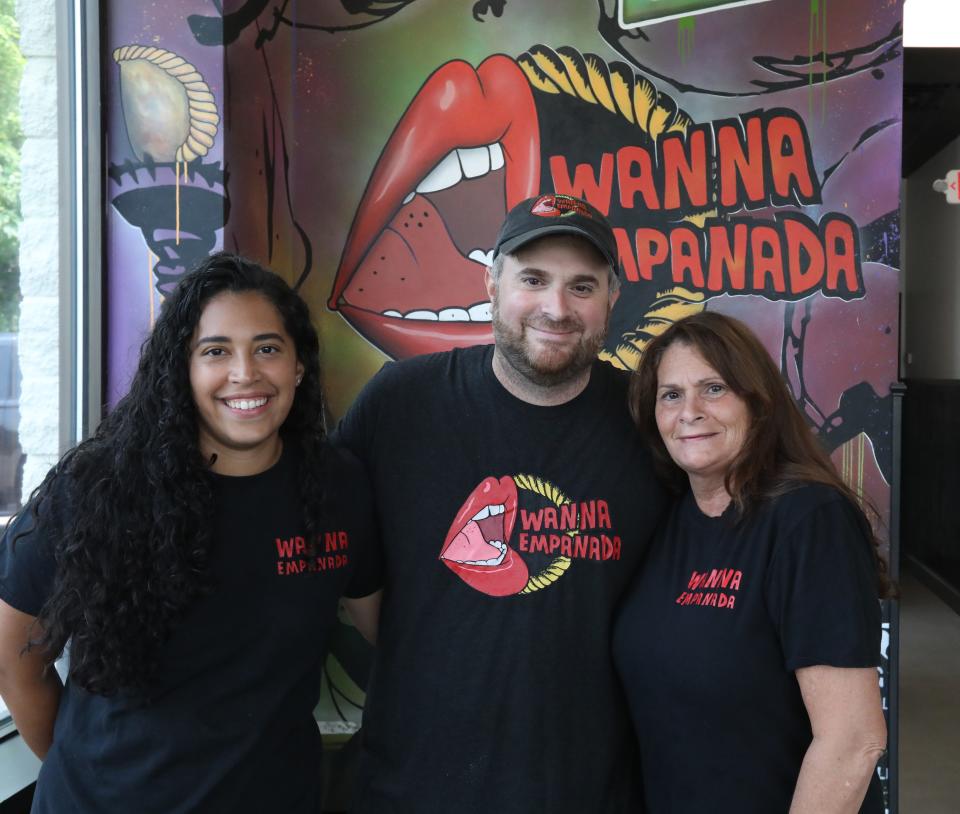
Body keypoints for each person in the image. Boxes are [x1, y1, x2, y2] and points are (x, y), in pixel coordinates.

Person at [0, 253, 380, 813]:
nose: (245, 373)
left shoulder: (338, 489)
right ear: (182, 369)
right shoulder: (96, 488)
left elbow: (391, 632)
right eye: (216, 351)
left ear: (298, 366)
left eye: (268, 348)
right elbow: (16, 658)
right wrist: (92, 778)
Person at [333, 193, 666, 813]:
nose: (556, 308)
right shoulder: (401, 404)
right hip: (415, 786)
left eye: (582, 286)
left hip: (591, 791)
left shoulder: (651, 421)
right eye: (533, 280)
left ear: (612, 296)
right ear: (491, 281)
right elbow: (339, 554)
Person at [613, 311, 890, 814]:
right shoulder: (664, 519)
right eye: (671, 395)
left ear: (757, 403)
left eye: (714, 388)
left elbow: (853, 740)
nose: (689, 411)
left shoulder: (809, 520)